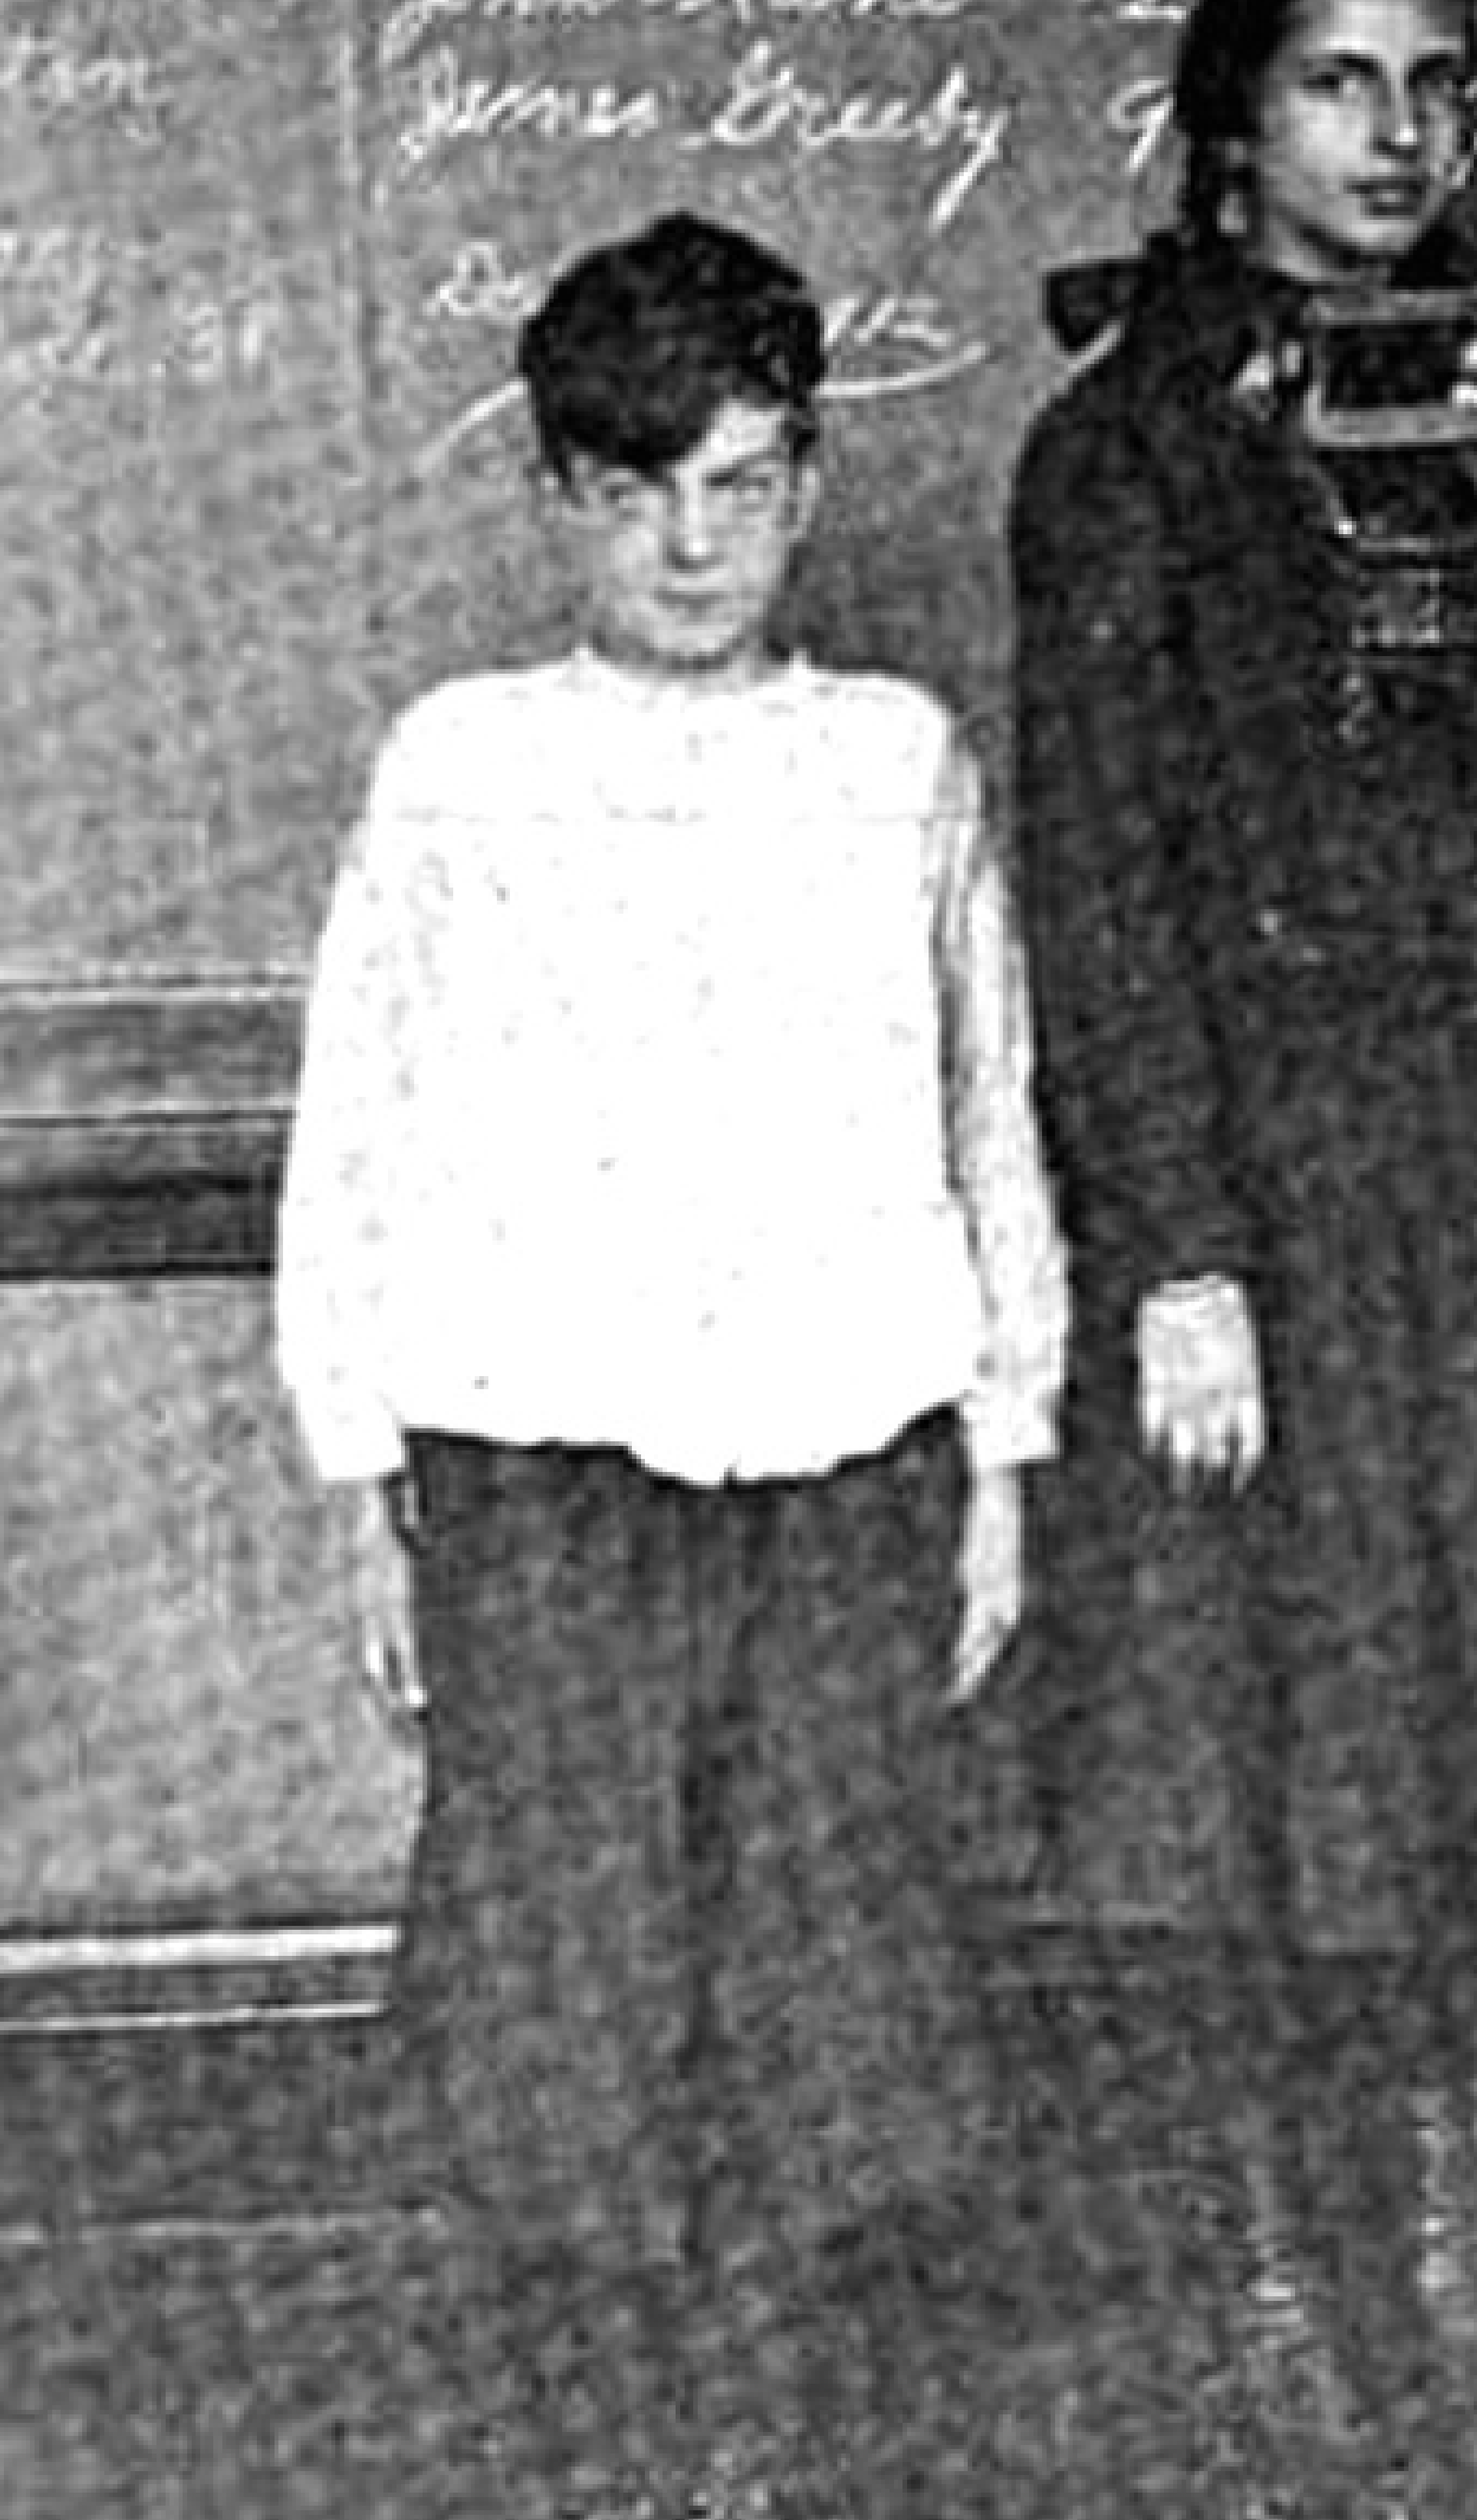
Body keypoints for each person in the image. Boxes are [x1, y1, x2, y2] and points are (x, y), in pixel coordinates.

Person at [275, 212, 1067, 2520]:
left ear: (806, 476)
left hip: (850, 1442)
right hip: (541, 1451)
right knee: (564, 1930)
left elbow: (980, 1104)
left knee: (835, 1923)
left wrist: (1002, 1449)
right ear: (559, 499)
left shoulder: (894, 757)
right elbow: (361, 1126)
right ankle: (592, 2428)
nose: (689, 541)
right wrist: (360, 1480)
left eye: (733, 480)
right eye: (633, 493)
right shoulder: (462, 762)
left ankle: (774, 2410)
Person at [1005, 0, 1477, 2508]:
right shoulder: (1130, 438)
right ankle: (1302, 2271)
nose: (1401, 138)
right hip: (1271, 1179)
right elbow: (1102, 867)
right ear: (1229, 124)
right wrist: (1178, 1252)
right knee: (1277, 1762)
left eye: (1439, 87)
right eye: (1344, 86)